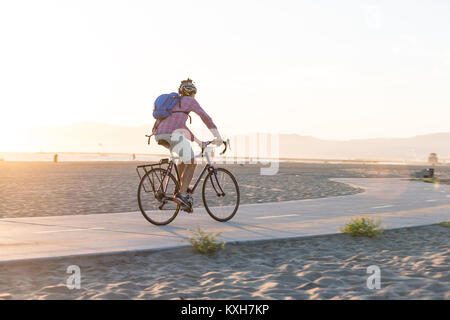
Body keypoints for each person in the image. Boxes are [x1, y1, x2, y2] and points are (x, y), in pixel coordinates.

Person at [153, 78, 223, 208]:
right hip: (173, 134)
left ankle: (178, 188)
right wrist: (217, 136)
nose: (194, 96)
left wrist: (198, 142)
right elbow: (206, 118)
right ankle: (182, 194)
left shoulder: (174, 103)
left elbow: (183, 127)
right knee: (192, 162)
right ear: (191, 93)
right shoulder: (189, 101)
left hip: (159, 134)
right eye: (194, 94)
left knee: (184, 160)